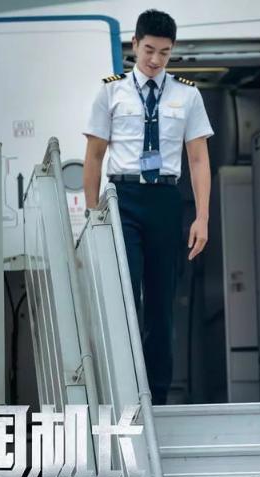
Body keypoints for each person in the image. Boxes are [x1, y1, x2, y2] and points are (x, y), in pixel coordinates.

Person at [82, 9, 213, 406]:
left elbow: (198, 160)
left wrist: (202, 217)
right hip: (123, 200)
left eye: (164, 53)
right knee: (126, 295)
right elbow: (94, 157)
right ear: (135, 44)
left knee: (160, 303)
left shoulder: (187, 95)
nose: (156, 60)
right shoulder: (111, 92)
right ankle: (125, 391)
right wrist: (93, 214)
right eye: (149, 50)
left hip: (165, 201)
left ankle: (156, 396)